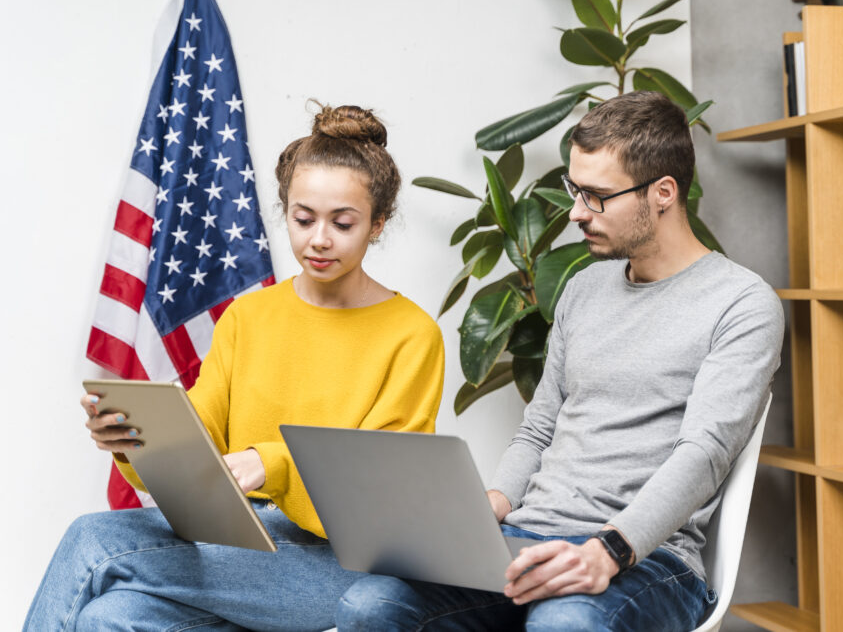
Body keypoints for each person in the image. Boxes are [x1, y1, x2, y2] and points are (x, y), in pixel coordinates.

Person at [334, 90, 785, 631]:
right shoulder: (583, 288)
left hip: (649, 558)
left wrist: (609, 550)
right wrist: (491, 505)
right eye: (575, 190)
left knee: (564, 625)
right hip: (529, 537)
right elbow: (539, 428)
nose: (575, 213)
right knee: (372, 606)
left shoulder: (742, 303)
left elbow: (704, 455)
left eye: (596, 196)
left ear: (663, 193)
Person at [24, 104, 445, 632]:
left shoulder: (411, 333)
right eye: (303, 218)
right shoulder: (250, 316)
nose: (319, 239)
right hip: (237, 547)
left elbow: (382, 487)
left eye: (342, 223)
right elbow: (199, 432)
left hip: (339, 565)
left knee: (94, 539)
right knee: (111, 617)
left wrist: (273, 463)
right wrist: (134, 441)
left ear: (378, 224)